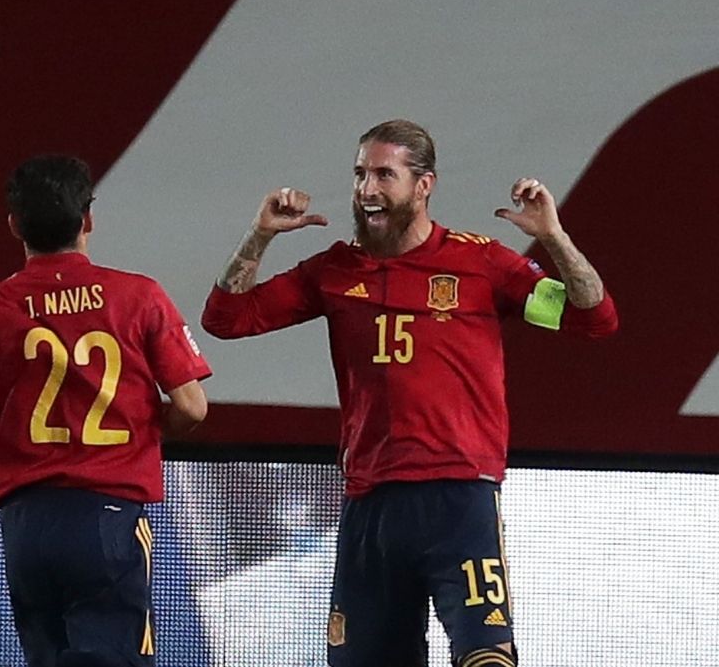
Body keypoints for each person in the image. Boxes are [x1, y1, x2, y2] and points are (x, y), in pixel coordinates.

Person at [201, 119, 618, 667]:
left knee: (486, 656)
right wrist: (261, 234)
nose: (366, 190)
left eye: (383, 175)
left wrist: (554, 236)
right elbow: (226, 319)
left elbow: (594, 318)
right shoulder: (334, 271)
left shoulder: (482, 265)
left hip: (458, 497)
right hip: (371, 502)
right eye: (360, 174)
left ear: (424, 186)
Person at [0, 154, 211, 667]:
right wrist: (138, 430)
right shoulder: (139, 296)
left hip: (28, 527)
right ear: (88, 219)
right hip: (108, 517)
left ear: (14, 225)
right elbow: (192, 406)